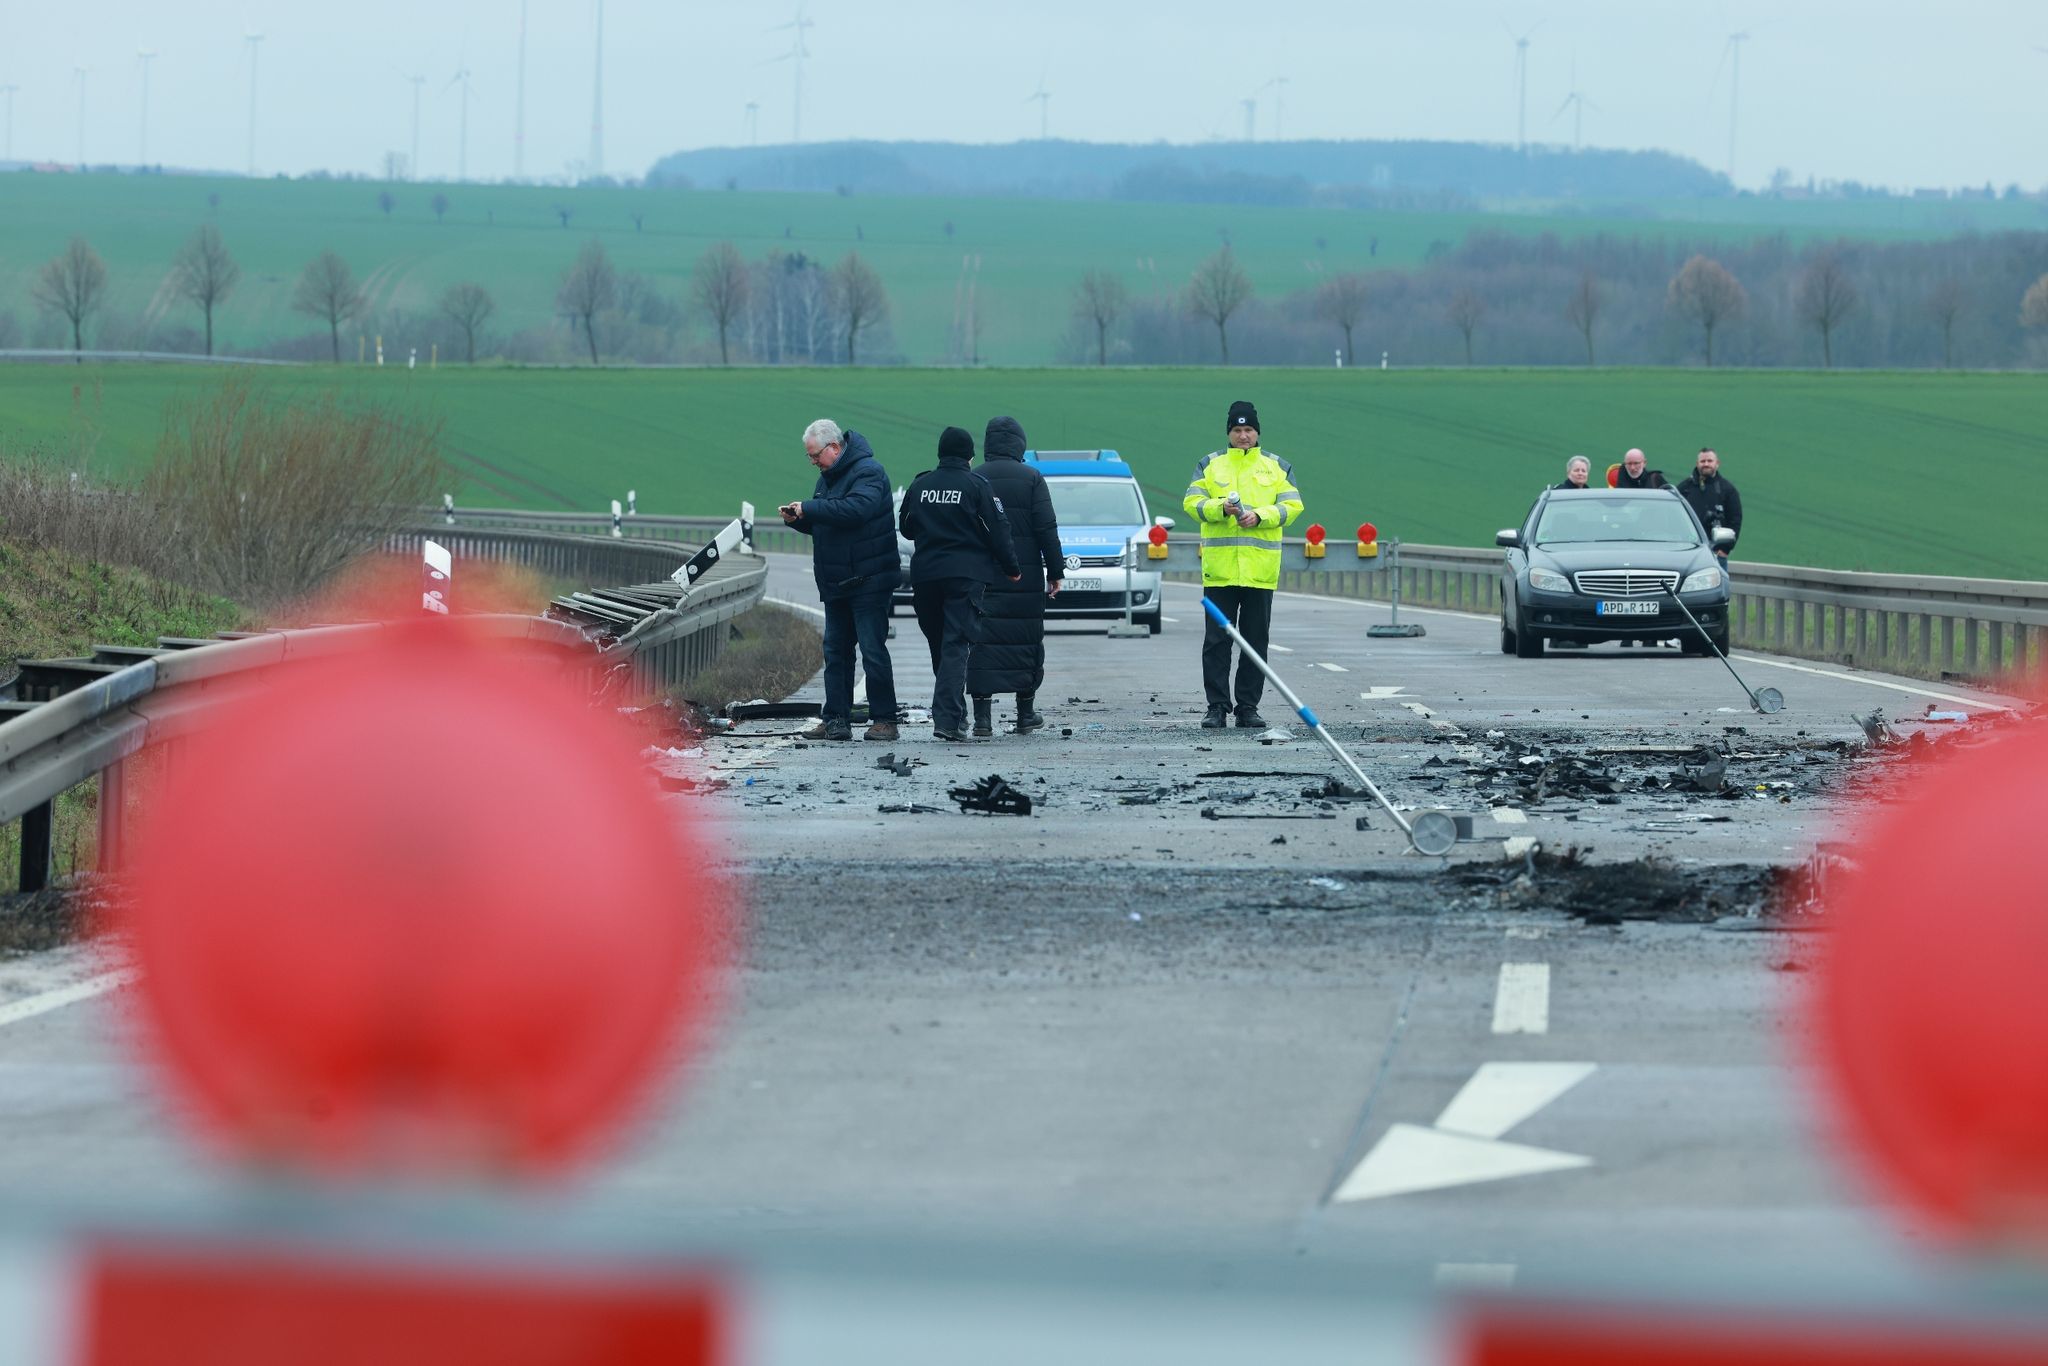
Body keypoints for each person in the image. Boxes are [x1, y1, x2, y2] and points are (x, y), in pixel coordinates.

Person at [1183, 400, 1304, 730]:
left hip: (1259, 571)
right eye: (1237, 430)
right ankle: (1217, 707)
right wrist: (1222, 508)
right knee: (1216, 642)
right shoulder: (1210, 465)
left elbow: (1292, 506)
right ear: (1229, 433)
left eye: (1248, 429)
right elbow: (1192, 503)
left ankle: (1248, 707)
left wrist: (1259, 516)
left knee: (1254, 642)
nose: (1243, 435)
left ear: (1257, 432)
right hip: (1220, 570)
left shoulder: (1277, 467)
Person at [781, 419, 900, 743]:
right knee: (835, 652)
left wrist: (811, 508)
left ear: (834, 447)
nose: (813, 462)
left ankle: (885, 719)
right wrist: (801, 521)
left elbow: (856, 511)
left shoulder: (868, 472)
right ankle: (836, 719)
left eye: (815, 455)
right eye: (810, 457)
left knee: (872, 650)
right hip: (836, 581)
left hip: (869, 579)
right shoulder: (827, 479)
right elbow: (830, 521)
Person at [899, 426, 1021, 742]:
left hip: (925, 577)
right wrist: (1012, 567)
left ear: (940, 453)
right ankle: (949, 720)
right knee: (955, 645)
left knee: (940, 645)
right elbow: (999, 529)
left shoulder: (920, 484)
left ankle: (955, 714)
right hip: (966, 577)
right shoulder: (977, 485)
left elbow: (907, 529)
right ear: (970, 455)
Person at [966, 416, 1063, 736]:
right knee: (1026, 640)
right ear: (1020, 443)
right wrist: (1056, 571)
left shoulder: (975, 477)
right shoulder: (1032, 478)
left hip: (983, 576)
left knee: (981, 643)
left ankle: (982, 719)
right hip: (1027, 575)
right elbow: (1046, 528)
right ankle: (1025, 713)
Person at [1678, 447, 1743, 566]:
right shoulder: (1685, 488)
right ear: (1697, 464)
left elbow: (1735, 520)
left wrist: (1725, 549)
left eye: (1710, 461)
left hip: (1716, 556)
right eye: (1703, 461)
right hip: (1687, 553)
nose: (1706, 464)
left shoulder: (1728, 490)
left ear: (1717, 464)